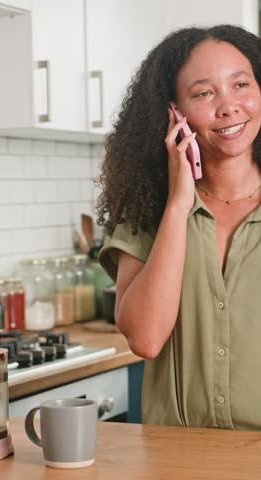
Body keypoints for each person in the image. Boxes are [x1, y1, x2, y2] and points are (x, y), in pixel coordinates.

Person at [96, 24, 261, 430]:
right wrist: (177, 205)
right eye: (204, 93)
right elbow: (145, 339)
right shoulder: (148, 212)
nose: (228, 106)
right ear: (174, 113)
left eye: (241, 84)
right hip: (176, 460)